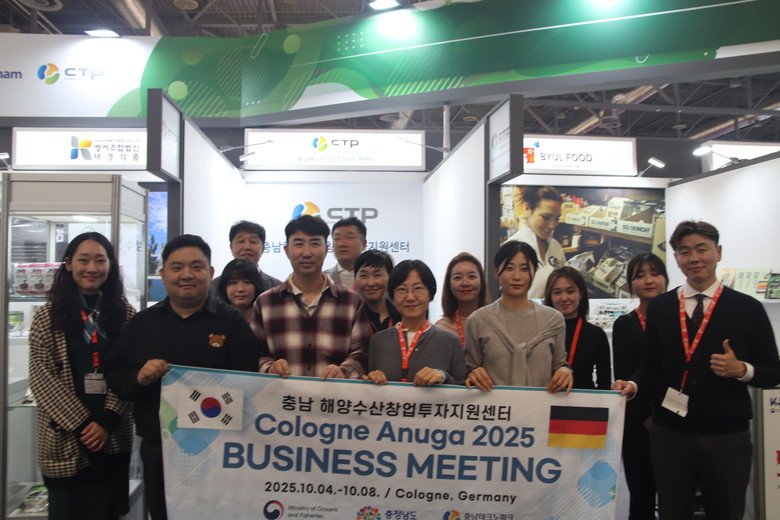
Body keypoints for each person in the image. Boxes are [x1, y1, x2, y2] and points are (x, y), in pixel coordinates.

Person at [613, 221, 780, 520]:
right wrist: (633, 386)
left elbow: (773, 370)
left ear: (718, 252)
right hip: (670, 434)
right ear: (677, 259)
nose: (694, 258)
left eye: (702, 249)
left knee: (726, 512)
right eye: (684, 251)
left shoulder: (747, 308)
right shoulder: (662, 307)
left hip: (726, 434)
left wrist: (742, 369)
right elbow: (651, 365)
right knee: (672, 511)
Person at [105, 234, 260, 520]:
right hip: (160, 450)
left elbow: (250, 382)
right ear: (163, 274)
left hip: (221, 451)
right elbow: (114, 376)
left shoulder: (231, 322)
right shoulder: (142, 324)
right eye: (176, 268)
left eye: (196, 267)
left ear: (210, 273)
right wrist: (139, 377)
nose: (186, 275)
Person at [28, 232, 135, 520]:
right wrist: (85, 426)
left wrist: (107, 420)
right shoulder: (47, 316)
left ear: (110, 266)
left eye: (100, 260)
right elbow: (42, 380)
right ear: (68, 264)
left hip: (112, 433)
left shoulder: (125, 314)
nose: (92, 268)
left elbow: (131, 370)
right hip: (64, 435)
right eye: (83, 260)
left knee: (108, 512)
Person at [252, 215, 369, 379]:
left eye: (314, 244)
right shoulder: (266, 303)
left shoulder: (351, 301)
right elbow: (255, 353)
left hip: (333, 394)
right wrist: (269, 368)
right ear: (287, 250)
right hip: (281, 395)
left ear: (326, 250)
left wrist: (343, 371)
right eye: (299, 244)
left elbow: (361, 352)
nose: (306, 253)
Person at [464, 240, 572, 393]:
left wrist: (565, 371)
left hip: (540, 407)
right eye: (509, 268)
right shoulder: (478, 320)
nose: (517, 276)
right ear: (496, 272)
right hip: (495, 406)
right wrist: (471, 373)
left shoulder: (553, 319)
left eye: (524, 269)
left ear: (534, 273)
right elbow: (470, 368)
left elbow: (559, 364)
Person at [612, 253, 668, 520]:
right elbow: (624, 375)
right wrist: (647, 418)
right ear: (631, 283)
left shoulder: (679, 323)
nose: (648, 280)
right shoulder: (624, 325)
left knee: (676, 498)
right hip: (637, 424)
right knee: (642, 497)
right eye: (640, 275)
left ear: (666, 278)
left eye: (655, 273)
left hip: (675, 425)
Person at [364, 260, 466, 386]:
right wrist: (371, 379)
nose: (410, 297)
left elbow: (462, 389)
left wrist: (443, 377)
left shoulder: (450, 341)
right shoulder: (378, 341)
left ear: (430, 293)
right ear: (392, 296)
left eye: (418, 288)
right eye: (402, 290)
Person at [543, 266, 611, 390]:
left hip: (584, 401)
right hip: (546, 398)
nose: (564, 298)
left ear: (581, 294)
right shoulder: (541, 333)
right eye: (557, 292)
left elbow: (604, 384)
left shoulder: (596, 334)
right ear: (550, 296)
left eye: (570, 291)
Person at [506, 186, 565, 299]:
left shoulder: (556, 247)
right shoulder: (511, 250)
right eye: (546, 217)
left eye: (556, 218)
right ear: (527, 208)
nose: (552, 225)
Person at [210, 220, 281, 300]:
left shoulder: (277, 287)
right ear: (231, 247)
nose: (247, 247)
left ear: (263, 248)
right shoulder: (212, 287)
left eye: (253, 241)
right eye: (241, 241)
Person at [435, 252, 490, 345]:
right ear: (449, 284)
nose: (465, 283)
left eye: (471, 276)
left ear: (481, 281)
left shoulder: (495, 323)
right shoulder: (440, 329)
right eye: (458, 278)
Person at [354, 249, 401, 336]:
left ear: (390, 277)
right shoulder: (350, 317)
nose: (370, 283)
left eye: (377, 275)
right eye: (364, 276)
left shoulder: (401, 316)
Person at [325, 217, 367, 288]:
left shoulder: (377, 279)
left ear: (363, 244)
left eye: (349, 237)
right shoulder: (322, 279)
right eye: (337, 239)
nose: (342, 244)